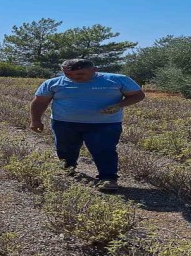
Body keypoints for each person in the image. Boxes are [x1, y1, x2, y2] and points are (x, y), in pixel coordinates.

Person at [29, 59, 145, 192]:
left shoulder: (117, 80)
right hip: (64, 123)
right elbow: (39, 102)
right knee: (65, 149)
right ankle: (68, 169)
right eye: (69, 75)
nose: (74, 78)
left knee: (104, 150)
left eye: (80, 74)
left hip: (105, 124)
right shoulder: (53, 83)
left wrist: (119, 105)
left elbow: (138, 95)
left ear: (94, 70)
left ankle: (108, 178)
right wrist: (35, 120)